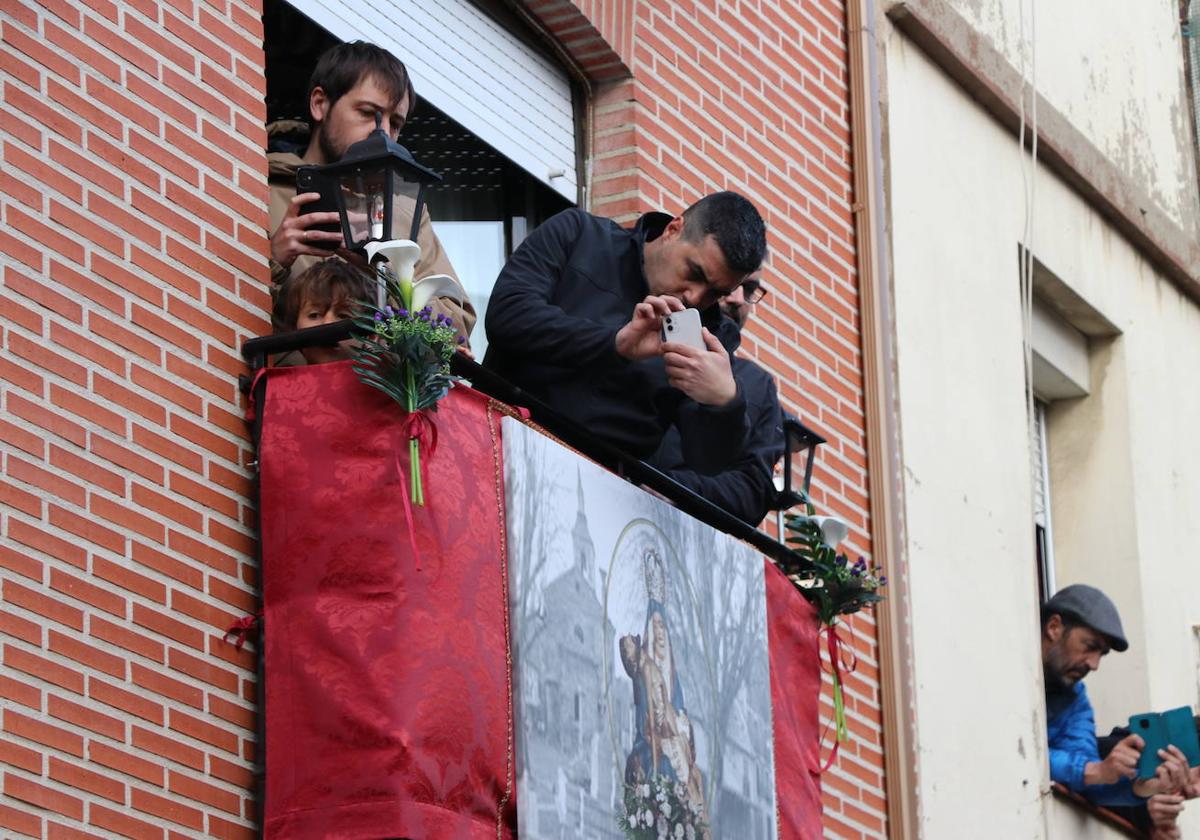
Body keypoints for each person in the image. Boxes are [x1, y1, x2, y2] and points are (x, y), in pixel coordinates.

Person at [484, 191, 768, 474]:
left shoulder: (713, 335)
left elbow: (706, 462)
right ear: (673, 229)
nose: (695, 297)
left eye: (716, 293)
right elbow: (508, 315)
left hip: (605, 492)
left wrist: (724, 403)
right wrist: (615, 343)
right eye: (694, 272)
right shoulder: (580, 234)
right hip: (498, 439)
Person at [267, 40, 474, 347]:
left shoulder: (406, 209)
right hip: (293, 390)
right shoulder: (257, 187)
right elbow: (220, 313)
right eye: (368, 113)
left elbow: (456, 329)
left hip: (382, 393)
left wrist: (384, 275)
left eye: (395, 123)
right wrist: (275, 259)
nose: (382, 133)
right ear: (320, 104)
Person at [647, 273, 783, 523]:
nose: (738, 299)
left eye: (750, 289)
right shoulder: (643, 341)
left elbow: (753, 491)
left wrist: (671, 486)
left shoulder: (758, 384)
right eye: (732, 284)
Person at [1042, 585, 1189, 807]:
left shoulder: (1075, 700)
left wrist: (1141, 787)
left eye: (1101, 654)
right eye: (1090, 646)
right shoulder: (1001, 666)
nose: (1094, 664)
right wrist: (1091, 771)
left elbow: (1087, 779)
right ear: (1054, 627)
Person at [276, 260, 372, 366]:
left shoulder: (390, 380)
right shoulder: (270, 382)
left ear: (369, 335)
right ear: (294, 327)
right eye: (314, 315)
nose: (328, 323)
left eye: (343, 315)